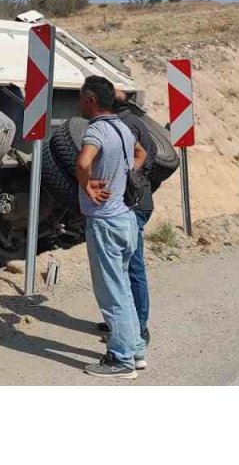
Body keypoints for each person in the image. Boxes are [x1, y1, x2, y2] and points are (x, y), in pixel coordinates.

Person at [75, 75, 147, 379]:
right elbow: (142, 154)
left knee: (111, 293)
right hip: (127, 219)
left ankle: (121, 360)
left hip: (105, 222)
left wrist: (87, 185)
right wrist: (125, 174)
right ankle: (136, 350)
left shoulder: (97, 130)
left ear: (91, 100)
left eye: (81, 97)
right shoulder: (123, 128)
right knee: (124, 290)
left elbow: (82, 163)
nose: (78, 103)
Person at [94, 90, 155, 348]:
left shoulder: (123, 126)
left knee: (131, 269)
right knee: (124, 270)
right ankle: (127, 326)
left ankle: (138, 330)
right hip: (136, 202)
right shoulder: (131, 122)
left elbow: (141, 158)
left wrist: (121, 179)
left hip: (131, 205)